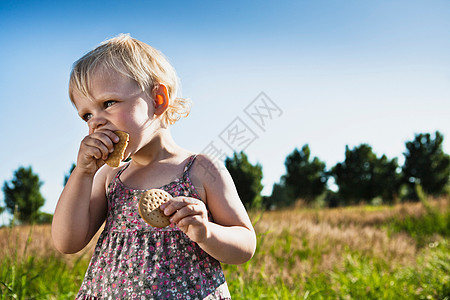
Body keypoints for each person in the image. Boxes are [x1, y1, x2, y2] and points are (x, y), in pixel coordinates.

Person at [52, 34, 256, 299]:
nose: (96, 122)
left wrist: (206, 233)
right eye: (87, 115)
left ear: (158, 100)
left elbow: (245, 244)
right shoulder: (109, 177)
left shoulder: (200, 169)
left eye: (108, 103)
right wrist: (82, 172)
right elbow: (67, 241)